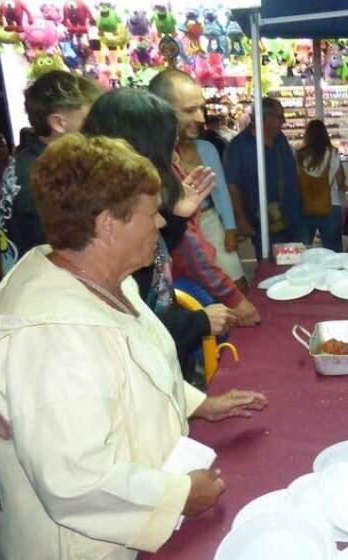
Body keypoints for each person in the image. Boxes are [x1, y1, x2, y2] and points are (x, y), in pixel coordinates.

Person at [0, 133, 267, 559]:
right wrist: (176, 496)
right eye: (151, 214)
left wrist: (198, 403)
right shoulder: (50, 337)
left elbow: (129, 368)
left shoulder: (101, 282)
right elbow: (76, 482)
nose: (163, 223)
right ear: (107, 225)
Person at [81, 88, 240, 382]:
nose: (174, 154)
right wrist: (197, 322)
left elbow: (156, 262)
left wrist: (177, 216)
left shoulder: (129, 201)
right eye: (170, 144)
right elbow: (132, 324)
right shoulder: (111, 222)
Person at [149, 69, 250, 294]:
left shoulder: (206, 148)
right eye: (189, 110)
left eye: (200, 108)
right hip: (176, 238)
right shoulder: (150, 158)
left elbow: (221, 190)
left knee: (236, 285)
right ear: (161, 110)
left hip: (208, 219)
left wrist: (230, 228)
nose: (201, 118)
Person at [0, 71, 102, 273]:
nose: (96, 129)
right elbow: (67, 251)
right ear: (59, 122)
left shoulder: (26, 161)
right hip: (42, 288)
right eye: (89, 120)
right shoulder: (49, 175)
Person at [224, 97, 304, 258]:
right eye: (280, 116)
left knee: (299, 264)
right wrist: (240, 220)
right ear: (265, 118)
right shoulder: (238, 147)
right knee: (272, 269)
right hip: (265, 223)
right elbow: (232, 186)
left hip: (293, 215)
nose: (284, 121)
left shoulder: (280, 138)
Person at [298, 119, 348, 251]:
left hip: (304, 207)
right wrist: (343, 187)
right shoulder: (333, 153)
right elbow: (341, 180)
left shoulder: (299, 154)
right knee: (333, 251)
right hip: (331, 206)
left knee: (303, 250)